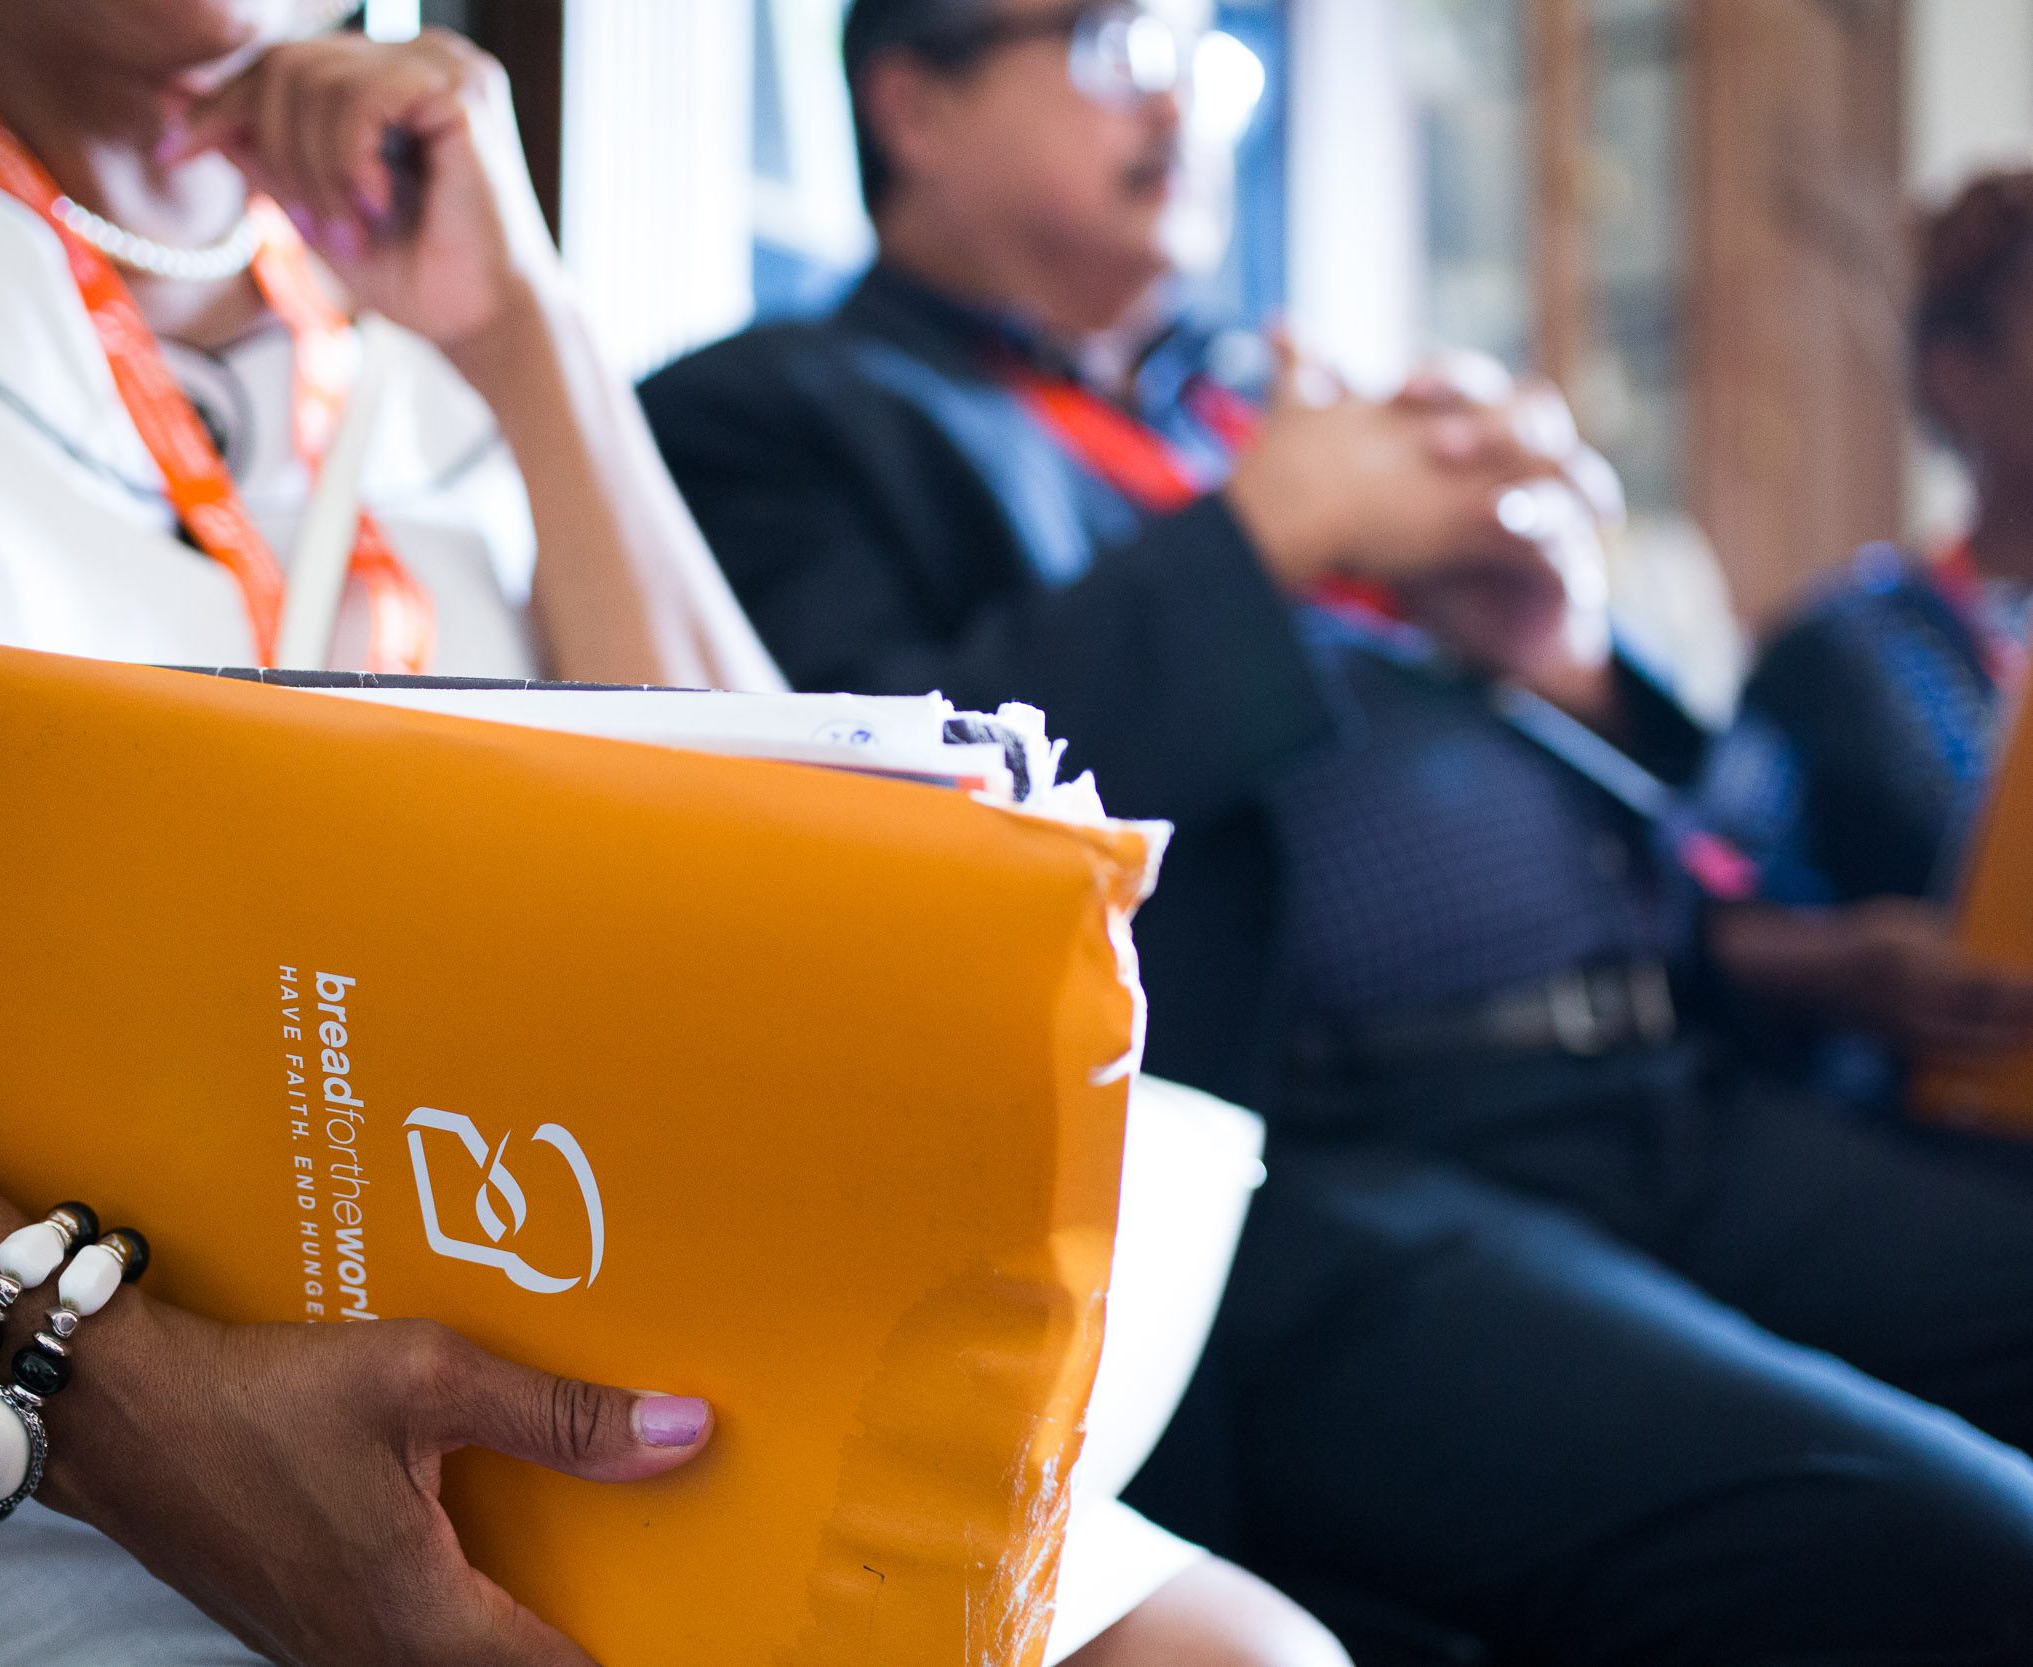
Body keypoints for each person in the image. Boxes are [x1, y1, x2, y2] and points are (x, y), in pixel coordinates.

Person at [0, 1, 1349, 1663]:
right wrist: (125, 1405)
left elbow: (820, 875)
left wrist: (527, 342)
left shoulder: (395, 235)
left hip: (533, 1393)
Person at [639, 1, 2033, 1659]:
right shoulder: (775, 415)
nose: (1181, 103)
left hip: (1655, 1087)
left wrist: (1555, 651)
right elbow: (887, 831)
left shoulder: (1245, 403)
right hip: (1326, 1160)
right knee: (1969, 1552)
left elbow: (1683, 806)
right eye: (1109, 45)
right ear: (912, 105)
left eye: (1198, 53)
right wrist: (1268, 532)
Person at [1703, 168, 2033, 1102]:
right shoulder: (1842, 648)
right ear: (1957, 376)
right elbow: (1714, 911)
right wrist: (1841, 966)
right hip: (1945, 1135)